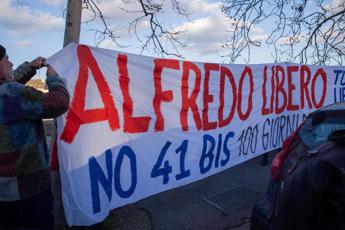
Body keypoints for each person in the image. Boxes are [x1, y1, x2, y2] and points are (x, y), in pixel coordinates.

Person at [0, 44, 69, 229]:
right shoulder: (11, 94)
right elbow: (59, 103)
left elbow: (9, 89)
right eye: (6, 59)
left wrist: (30, 68)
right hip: (29, 193)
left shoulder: (9, 94)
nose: (11, 63)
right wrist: (54, 79)